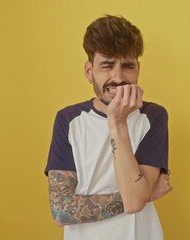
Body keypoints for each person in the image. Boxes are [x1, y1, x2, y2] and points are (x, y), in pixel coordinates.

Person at [44, 14, 173, 240]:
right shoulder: (68, 120)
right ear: (89, 71)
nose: (118, 77)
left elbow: (135, 201)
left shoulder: (153, 117)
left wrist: (117, 122)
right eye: (107, 65)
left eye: (127, 66)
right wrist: (143, 195)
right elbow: (61, 210)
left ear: (138, 70)